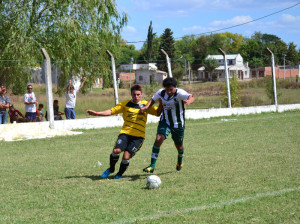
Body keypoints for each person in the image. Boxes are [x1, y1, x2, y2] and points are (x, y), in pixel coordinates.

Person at [86, 84, 162, 179]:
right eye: (134, 94)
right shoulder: (125, 104)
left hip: (138, 137)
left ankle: (119, 174)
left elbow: (158, 113)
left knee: (126, 157)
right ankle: (111, 168)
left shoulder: (146, 105)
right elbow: (111, 111)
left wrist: (161, 102)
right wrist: (97, 113)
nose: (136, 96)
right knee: (116, 150)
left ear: (141, 94)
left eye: (138, 94)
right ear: (131, 94)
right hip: (125, 133)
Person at [139, 77, 195, 173]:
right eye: (167, 89)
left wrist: (189, 101)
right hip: (165, 121)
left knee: (179, 146)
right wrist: (146, 107)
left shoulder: (180, 93)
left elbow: (191, 97)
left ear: (175, 87)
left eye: (171, 90)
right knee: (158, 139)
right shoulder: (161, 92)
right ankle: (152, 166)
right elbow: (153, 99)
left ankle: (180, 161)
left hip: (178, 124)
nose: (168, 92)